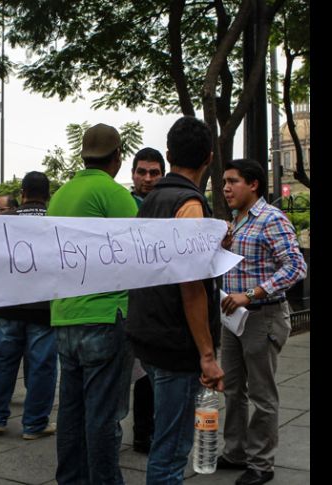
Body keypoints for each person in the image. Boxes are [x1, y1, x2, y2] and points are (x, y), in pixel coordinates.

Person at [125, 116, 225, 485]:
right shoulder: (189, 204)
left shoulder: (151, 201)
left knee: (164, 441)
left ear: (168, 155)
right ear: (209, 159)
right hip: (176, 345)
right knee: (171, 451)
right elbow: (190, 284)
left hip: (148, 334)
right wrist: (208, 355)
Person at [47, 123, 137, 485]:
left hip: (65, 316)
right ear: (117, 157)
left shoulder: (60, 196)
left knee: (70, 413)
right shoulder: (112, 193)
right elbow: (141, 249)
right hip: (105, 315)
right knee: (102, 416)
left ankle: (70, 479)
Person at [218, 159, 307, 485]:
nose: (226, 187)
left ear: (253, 184)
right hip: (233, 319)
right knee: (232, 390)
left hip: (263, 316)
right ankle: (236, 452)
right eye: (225, 181)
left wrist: (252, 294)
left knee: (262, 395)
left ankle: (261, 463)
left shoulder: (272, 219)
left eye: (233, 181)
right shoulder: (236, 220)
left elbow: (296, 268)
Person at [0, 172, 58, 440]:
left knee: (3, 363)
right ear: (47, 195)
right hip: (43, 308)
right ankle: (35, 424)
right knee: (42, 367)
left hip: (7, 304)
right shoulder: (55, 222)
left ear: (22, 194)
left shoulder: (3, 222)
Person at [128, 147, 166, 454]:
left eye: (154, 172)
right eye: (142, 172)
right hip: (126, 302)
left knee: (148, 375)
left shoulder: (168, 205)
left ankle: (145, 433)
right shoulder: (125, 205)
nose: (148, 178)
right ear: (132, 174)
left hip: (157, 304)